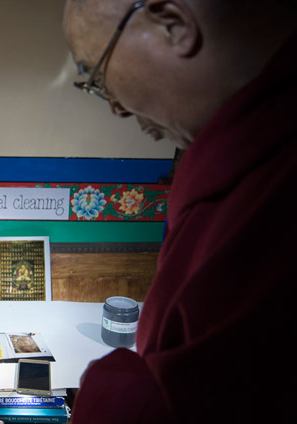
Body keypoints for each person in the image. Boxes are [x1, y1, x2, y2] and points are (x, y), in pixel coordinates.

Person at [62, 0, 296, 422]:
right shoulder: (233, 150)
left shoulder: (274, 181)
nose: (114, 106)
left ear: (172, 23)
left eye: (95, 75)